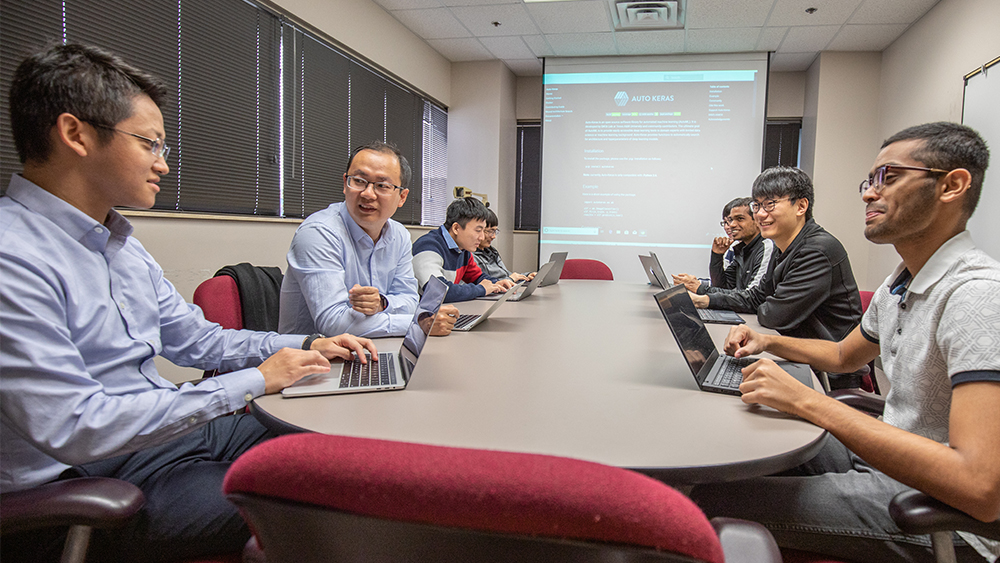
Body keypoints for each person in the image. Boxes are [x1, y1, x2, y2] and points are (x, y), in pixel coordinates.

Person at [0, 44, 377, 563]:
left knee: (334, 440)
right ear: (75, 134)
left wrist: (309, 343)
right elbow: (77, 425)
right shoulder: (12, 255)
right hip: (77, 488)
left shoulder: (121, 244)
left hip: (154, 441)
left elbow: (199, 340)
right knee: (314, 500)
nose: (164, 163)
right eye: (150, 143)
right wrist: (255, 380)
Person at [690, 122, 1000, 563]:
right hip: (887, 455)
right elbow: (841, 355)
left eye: (889, 178)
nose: (869, 194)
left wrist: (807, 402)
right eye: (868, 182)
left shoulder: (979, 295)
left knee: (704, 500)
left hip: (937, 508)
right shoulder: (903, 281)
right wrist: (767, 342)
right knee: (734, 450)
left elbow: (980, 487)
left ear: (952, 185)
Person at [688, 168, 863, 370]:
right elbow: (755, 298)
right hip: (795, 354)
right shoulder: (784, 247)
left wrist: (763, 303)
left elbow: (774, 315)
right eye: (757, 205)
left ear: (801, 206)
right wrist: (706, 300)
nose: (761, 214)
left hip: (825, 370)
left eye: (770, 204)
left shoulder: (817, 250)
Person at [278, 141, 457, 337]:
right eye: (359, 181)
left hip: (372, 347)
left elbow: (409, 300)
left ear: (402, 197)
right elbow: (333, 323)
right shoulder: (319, 232)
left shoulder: (399, 235)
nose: (368, 194)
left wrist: (382, 303)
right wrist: (418, 323)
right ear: (345, 183)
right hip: (312, 358)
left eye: (382, 185)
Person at [412, 197, 515, 303]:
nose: (482, 237)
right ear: (456, 228)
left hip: (444, 310)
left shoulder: (462, 250)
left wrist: (496, 283)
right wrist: (481, 289)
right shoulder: (428, 247)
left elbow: (477, 277)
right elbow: (438, 292)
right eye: (478, 230)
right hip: (420, 316)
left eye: (483, 231)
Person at [674, 197, 774, 294]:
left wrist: (700, 289)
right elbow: (722, 286)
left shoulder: (767, 246)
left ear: (757, 220)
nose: (732, 225)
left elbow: (752, 297)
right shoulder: (743, 249)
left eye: (740, 219)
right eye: (730, 220)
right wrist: (717, 255)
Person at [473, 208, 535, 282]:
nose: (493, 236)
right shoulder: (471, 257)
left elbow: (505, 275)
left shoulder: (492, 251)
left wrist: (526, 276)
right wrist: (510, 279)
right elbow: (483, 284)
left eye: (495, 231)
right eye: (490, 231)